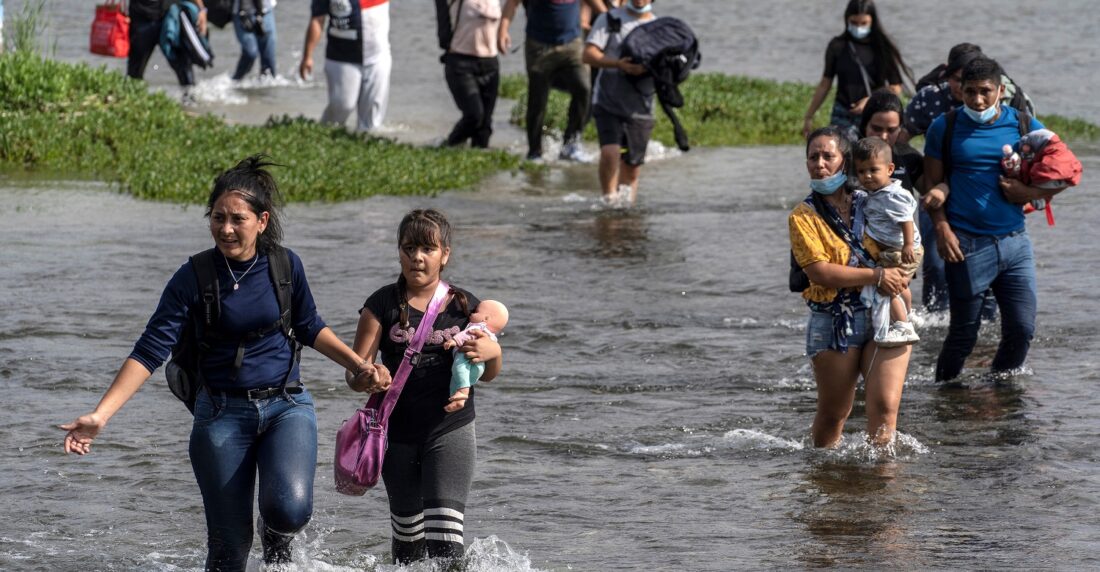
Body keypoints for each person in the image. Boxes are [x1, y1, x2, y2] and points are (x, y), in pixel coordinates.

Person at [59, 156, 387, 570]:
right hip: (220, 416)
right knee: (229, 549)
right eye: (218, 217)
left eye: (238, 219)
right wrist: (101, 415)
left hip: (287, 406)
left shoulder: (285, 266)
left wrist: (359, 365)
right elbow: (149, 350)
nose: (226, 229)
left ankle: (276, 536)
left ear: (262, 221)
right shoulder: (192, 277)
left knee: (289, 511)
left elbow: (309, 326)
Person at [350, 208, 503, 564]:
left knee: (447, 543)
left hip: (450, 430)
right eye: (408, 248)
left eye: (427, 249)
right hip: (394, 436)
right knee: (407, 543)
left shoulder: (466, 305)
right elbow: (353, 372)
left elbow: (490, 372)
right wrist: (368, 375)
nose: (416, 257)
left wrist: (492, 352)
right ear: (399, 251)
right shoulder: (381, 304)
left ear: (444, 254)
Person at [922, 56, 1059, 384]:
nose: (978, 100)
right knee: (963, 336)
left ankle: (1002, 391)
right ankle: (945, 395)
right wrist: (941, 228)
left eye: (985, 91)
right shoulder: (945, 127)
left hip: (1015, 243)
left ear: (1000, 90)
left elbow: (1063, 168)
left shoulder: (1024, 124)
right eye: (970, 92)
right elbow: (931, 184)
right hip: (966, 245)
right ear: (960, 92)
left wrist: (1027, 192)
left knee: (1022, 329)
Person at [789, 126, 913, 447]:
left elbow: (903, 238)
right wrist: (876, 276)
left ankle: (883, 483)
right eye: (813, 157)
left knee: (886, 408)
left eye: (828, 156)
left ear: (844, 163)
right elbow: (820, 272)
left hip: (883, 310)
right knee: (835, 413)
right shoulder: (804, 216)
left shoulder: (872, 200)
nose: (819, 163)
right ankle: (825, 476)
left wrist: (903, 271)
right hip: (834, 319)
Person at [499, 0, 607, 162]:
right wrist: (503, 30)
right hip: (539, 46)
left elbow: (595, 4)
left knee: (584, 89)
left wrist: (610, 18)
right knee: (538, 99)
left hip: (572, 44)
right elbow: (512, 4)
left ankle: (570, 144)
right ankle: (535, 152)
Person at [802, 0, 913, 142]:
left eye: (863, 23)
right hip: (842, 113)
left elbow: (896, 87)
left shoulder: (882, 47)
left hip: (873, 114)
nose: (858, 27)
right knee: (842, 155)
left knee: (871, 155)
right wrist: (809, 115)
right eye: (854, 23)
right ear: (847, 19)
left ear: (872, 21)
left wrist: (870, 100)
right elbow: (825, 83)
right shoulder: (837, 46)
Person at [583, 0, 656, 207]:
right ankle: (608, 203)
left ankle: (626, 211)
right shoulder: (610, 19)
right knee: (610, 152)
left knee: (632, 168)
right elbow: (588, 54)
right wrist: (617, 64)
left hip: (641, 106)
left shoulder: (658, 28)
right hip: (607, 99)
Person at [853, 137, 923, 347]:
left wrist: (908, 245)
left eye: (873, 170)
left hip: (899, 248)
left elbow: (906, 220)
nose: (867, 176)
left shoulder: (894, 195)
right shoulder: (877, 193)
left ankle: (902, 325)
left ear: (890, 169)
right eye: (861, 171)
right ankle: (909, 313)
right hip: (893, 247)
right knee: (901, 284)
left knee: (887, 286)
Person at [300, 0, 392, 132]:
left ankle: (365, 143)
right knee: (342, 106)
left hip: (377, 57)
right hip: (341, 57)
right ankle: (323, 136)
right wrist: (307, 56)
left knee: (372, 120)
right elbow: (317, 19)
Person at [436, 0, 502, 148]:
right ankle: (449, 146)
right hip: (460, 63)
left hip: (490, 64)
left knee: (484, 127)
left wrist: (504, 32)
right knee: (474, 115)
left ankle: (481, 165)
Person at [127, 0, 208, 103]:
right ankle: (132, 105)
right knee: (135, 73)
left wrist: (202, 10)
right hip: (141, 19)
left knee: (183, 68)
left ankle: (190, 103)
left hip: (169, 18)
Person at [443, 299, 509, 412]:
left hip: (464, 358)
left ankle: (462, 392)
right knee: (460, 380)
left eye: (475, 312)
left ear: (486, 319)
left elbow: (465, 335)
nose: (471, 313)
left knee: (458, 371)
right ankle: (459, 400)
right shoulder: (492, 337)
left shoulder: (476, 327)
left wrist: (453, 341)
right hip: (480, 366)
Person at [231, 0, 277, 81]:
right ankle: (235, 82)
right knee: (250, 53)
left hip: (265, 11)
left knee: (269, 62)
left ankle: (268, 92)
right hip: (241, 13)